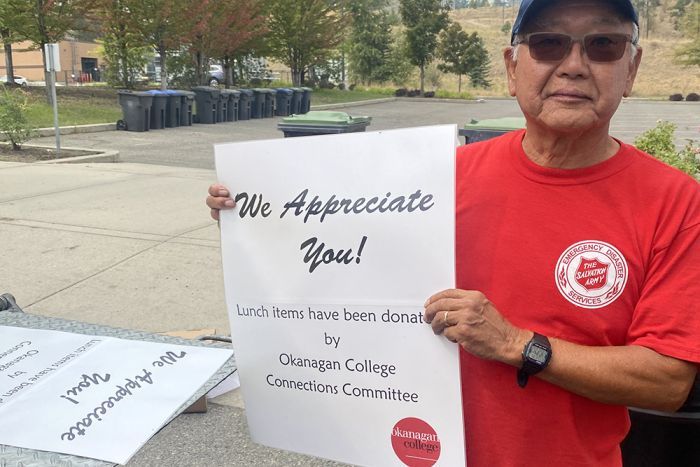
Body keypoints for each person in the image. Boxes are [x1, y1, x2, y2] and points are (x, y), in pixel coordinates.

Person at [207, 0, 700, 465]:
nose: (573, 64)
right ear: (512, 67)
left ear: (630, 70)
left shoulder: (674, 203)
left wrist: (517, 344)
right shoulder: (436, 178)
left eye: (602, 46)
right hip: (412, 450)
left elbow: (666, 381)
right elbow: (342, 259)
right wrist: (256, 214)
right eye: (548, 43)